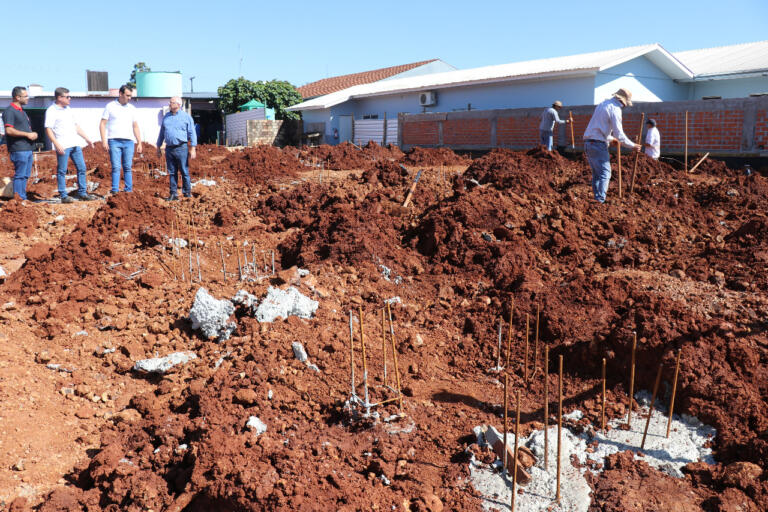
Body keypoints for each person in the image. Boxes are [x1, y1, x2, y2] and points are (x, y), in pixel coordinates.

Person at [582, 88, 641, 203]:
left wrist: (610, 138)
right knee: (605, 173)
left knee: (597, 174)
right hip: (598, 144)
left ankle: (597, 199)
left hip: (589, 143)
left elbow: (597, 128)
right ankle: (600, 200)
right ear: (623, 101)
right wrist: (633, 145)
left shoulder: (602, 105)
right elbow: (619, 134)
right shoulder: (615, 109)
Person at [45, 87, 97, 203]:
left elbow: (76, 126)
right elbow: (48, 129)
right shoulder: (51, 111)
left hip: (75, 144)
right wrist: (56, 144)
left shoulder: (68, 109)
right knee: (62, 170)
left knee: (82, 168)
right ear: (59, 98)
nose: (70, 98)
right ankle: (63, 195)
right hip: (63, 145)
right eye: (67, 97)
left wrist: (87, 138)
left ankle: (82, 193)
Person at [99, 85, 142, 194]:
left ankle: (128, 190)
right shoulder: (110, 106)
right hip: (114, 141)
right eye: (127, 95)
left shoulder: (132, 108)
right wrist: (104, 141)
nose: (129, 98)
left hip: (129, 141)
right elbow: (102, 124)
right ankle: (115, 190)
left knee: (127, 167)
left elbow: (135, 126)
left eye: (130, 96)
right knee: (116, 167)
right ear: (120, 94)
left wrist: (139, 142)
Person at [156, 97, 197, 201]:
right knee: (172, 172)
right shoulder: (166, 117)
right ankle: (173, 194)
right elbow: (162, 133)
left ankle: (187, 193)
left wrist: (193, 148)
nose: (169, 104)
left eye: (172, 102)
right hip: (169, 149)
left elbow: (192, 133)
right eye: (170, 102)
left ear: (178, 104)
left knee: (184, 171)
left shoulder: (186, 117)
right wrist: (158, 146)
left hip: (181, 147)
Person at [2, 86, 38, 200]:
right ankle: (19, 199)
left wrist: (32, 134)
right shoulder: (10, 111)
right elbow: (9, 130)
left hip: (27, 148)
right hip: (19, 149)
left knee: (26, 175)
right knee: (20, 175)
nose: (28, 98)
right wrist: (27, 134)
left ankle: (23, 198)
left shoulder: (22, 111)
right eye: (25, 96)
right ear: (17, 97)